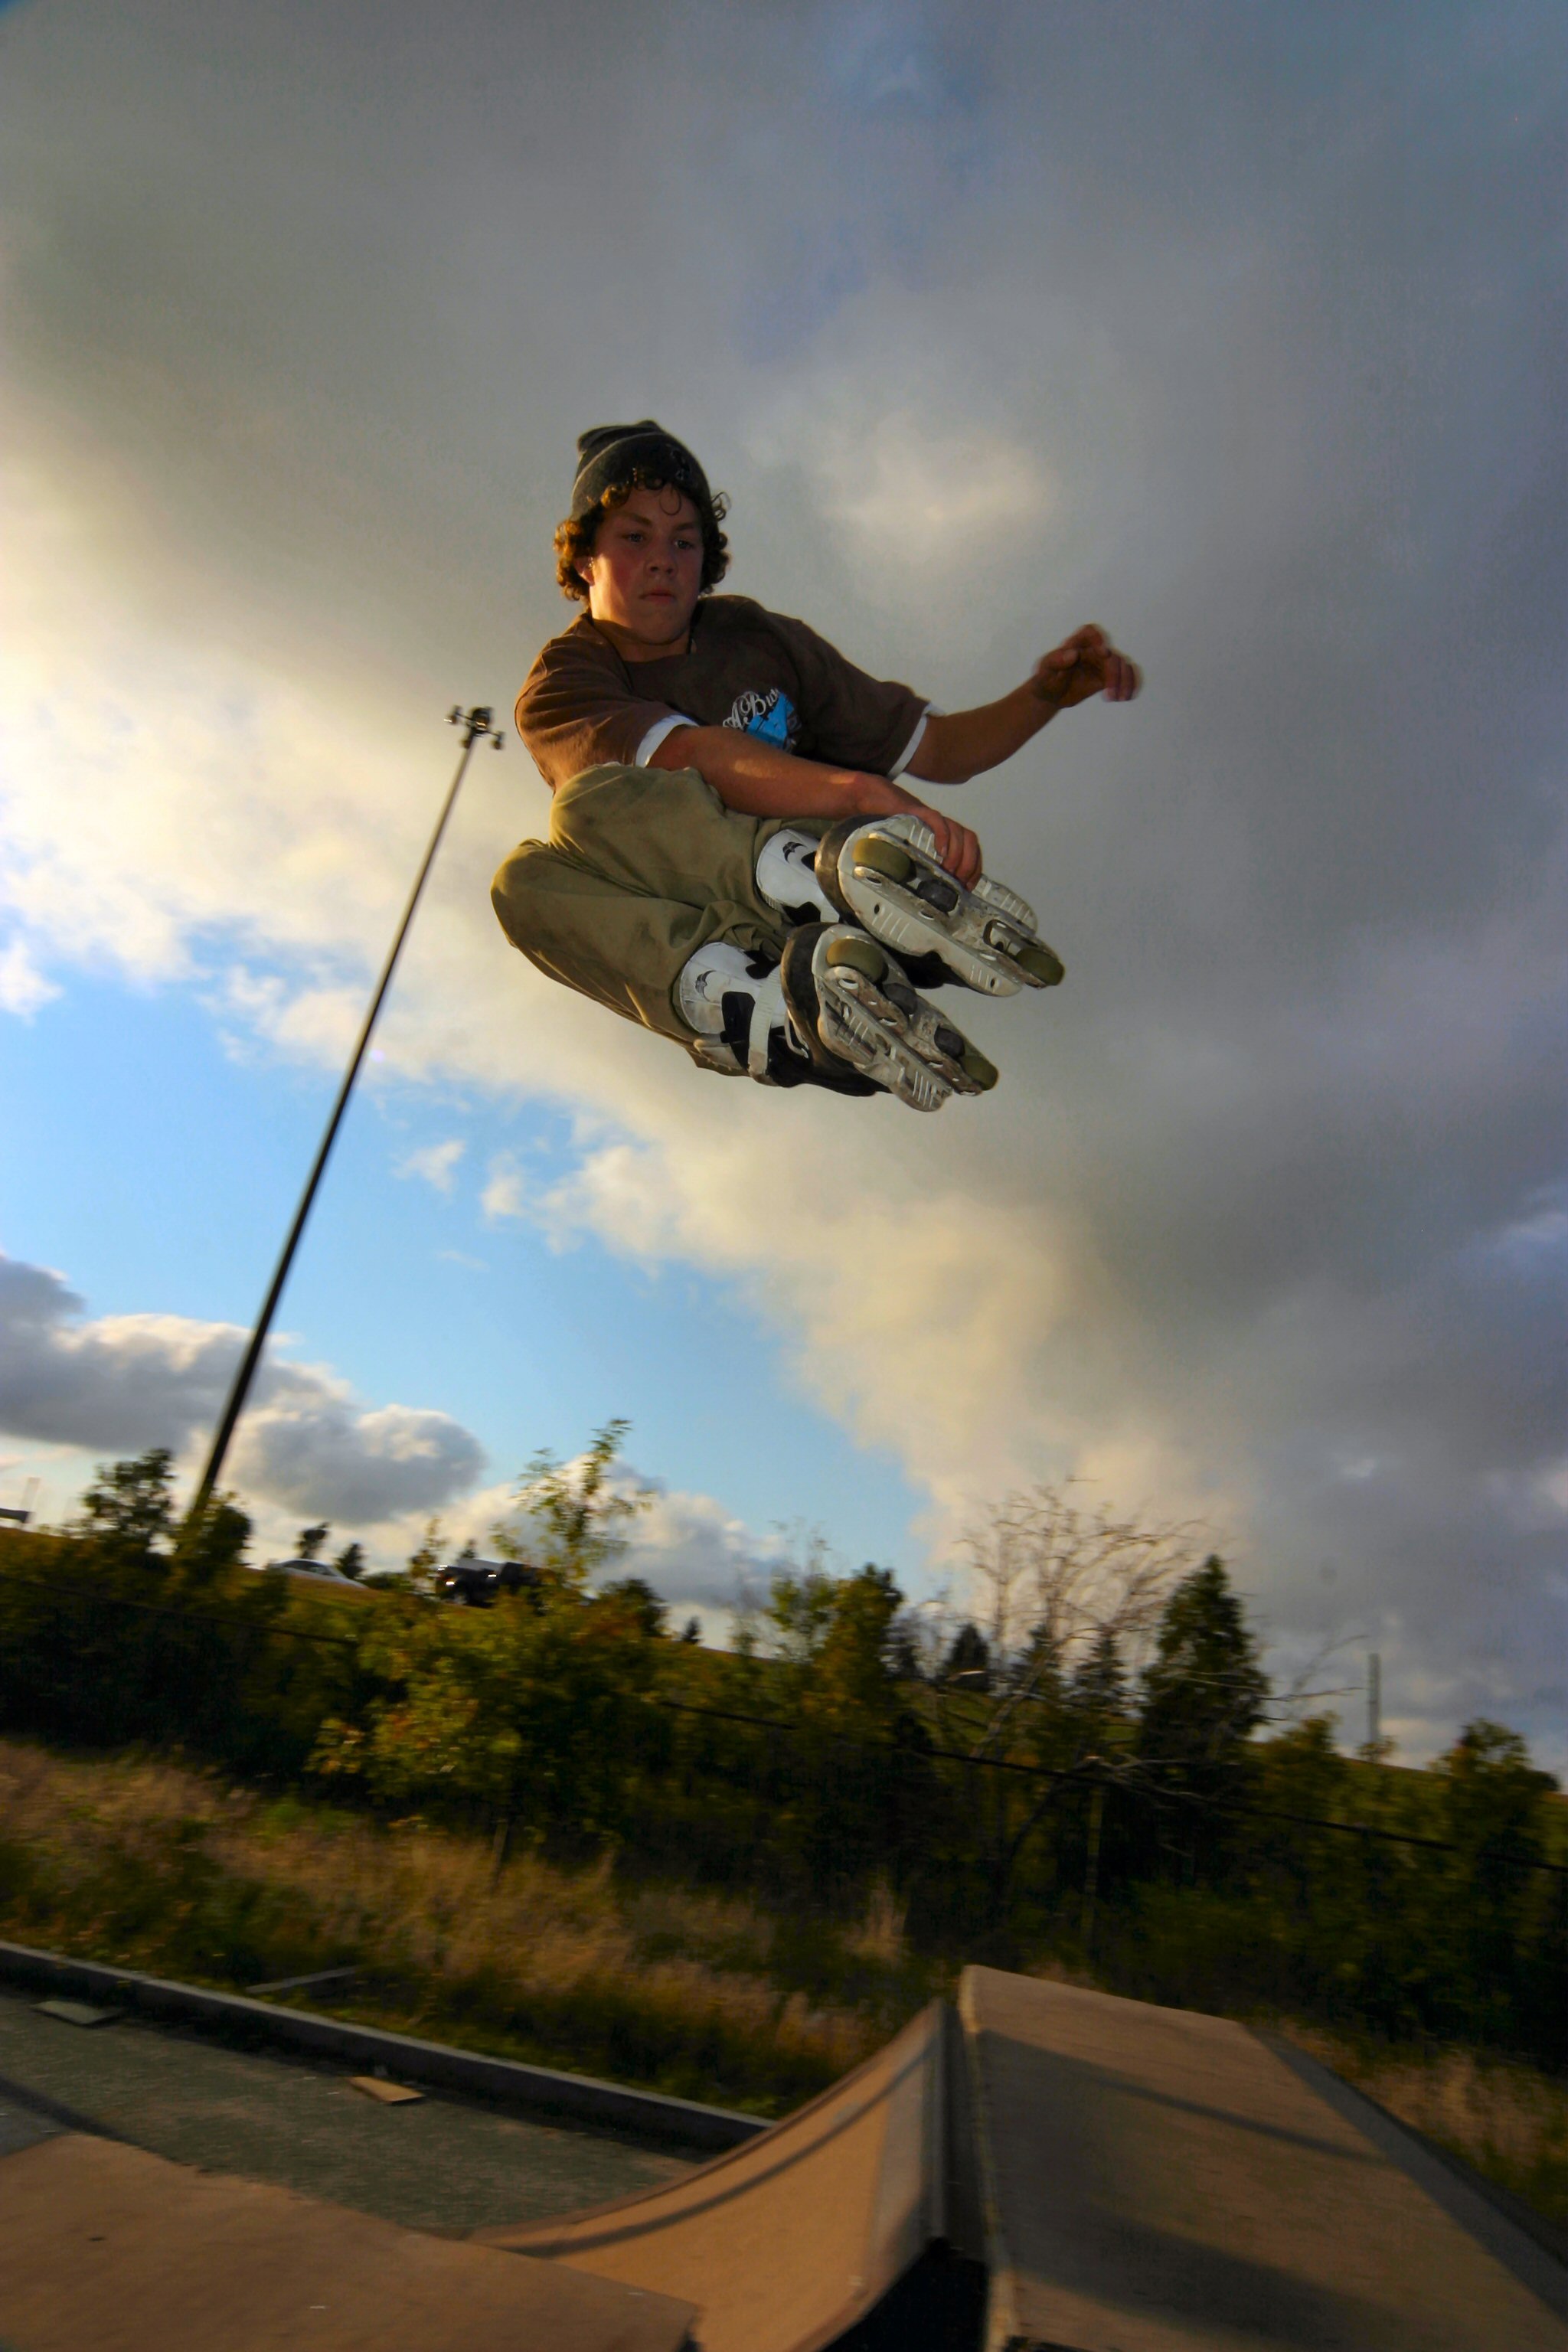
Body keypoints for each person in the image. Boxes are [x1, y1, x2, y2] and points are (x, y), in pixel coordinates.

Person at [493, 420, 1140, 1111]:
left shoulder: (756, 637)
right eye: (635, 537)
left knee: (580, 813)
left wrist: (1043, 697)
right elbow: (690, 753)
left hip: (839, 876)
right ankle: (761, 1009)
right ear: (584, 556)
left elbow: (940, 750)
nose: (664, 560)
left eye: (685, 542)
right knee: (529, 875)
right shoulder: (564, 684)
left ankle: (834, 884)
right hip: (742, 930)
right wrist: (863, 792)